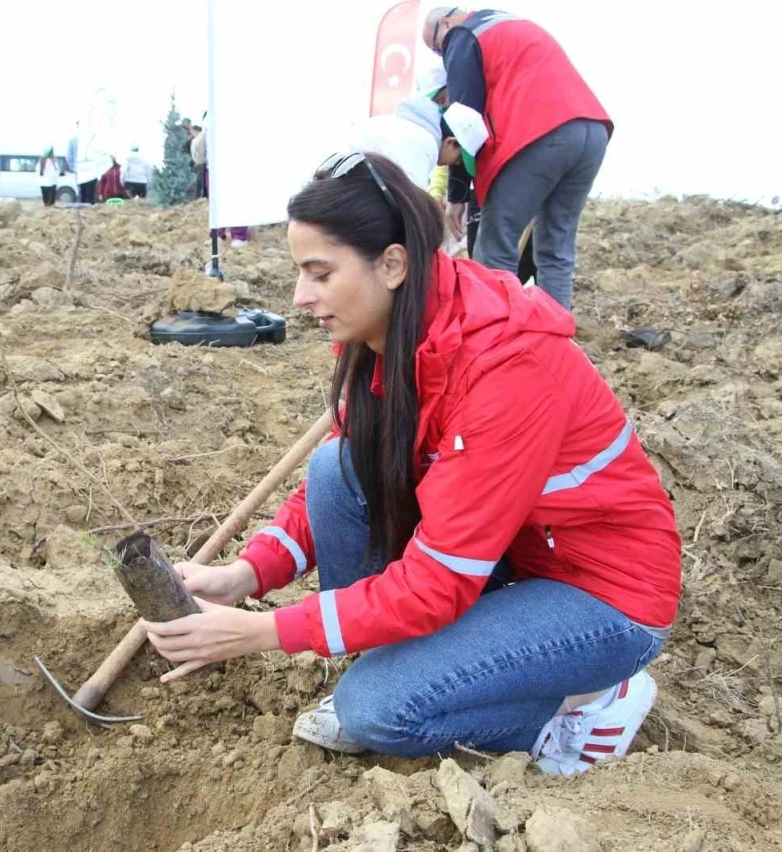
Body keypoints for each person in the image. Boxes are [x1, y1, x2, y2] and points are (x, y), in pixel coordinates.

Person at [139, 153, 680, 773]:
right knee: (338, 467)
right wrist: (245, 575)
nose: (300, 297)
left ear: (393, 264)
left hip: (600, 595)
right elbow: (342, 488)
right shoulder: (391, 334)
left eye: (320, 274)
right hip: (507, 554)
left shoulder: (506, 370)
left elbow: (438, 582)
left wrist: (263, 632)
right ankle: (412, 665)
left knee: (376, 710)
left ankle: (588, 700)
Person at [422, 8, 610, 311]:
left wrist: (457, 195)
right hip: (591, 131)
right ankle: (555, 333)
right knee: (555, 249)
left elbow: (464, 118)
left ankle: (496, 332)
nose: (442, 57)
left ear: (445, 23)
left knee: (495, 247)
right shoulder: (509, 26)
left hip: (539, 135)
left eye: (437, 48)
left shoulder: (463, 34)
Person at [191, 123, 207, 198]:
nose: (192, 133)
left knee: (200, 180)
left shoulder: (200, 138)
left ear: (195, 130)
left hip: (201, 162)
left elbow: (200, 150)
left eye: (192, 131)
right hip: (199, 162)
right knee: (200, 179)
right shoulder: (197, 138)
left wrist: (199, 160)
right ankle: (200, 195)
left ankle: (200, 195)